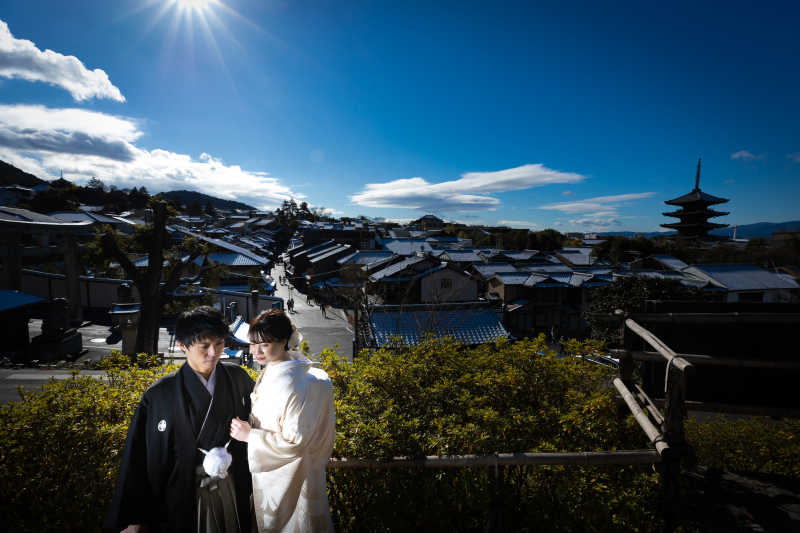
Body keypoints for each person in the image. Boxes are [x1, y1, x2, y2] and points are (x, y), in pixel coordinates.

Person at [104, 306, 255, 533]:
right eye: (204, 346)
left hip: (232, 485)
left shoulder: (238, 377)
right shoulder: (161, 392)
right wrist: (136, 517)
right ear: (183, 345)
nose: (214, 353)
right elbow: (139, 457)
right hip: (181, 494)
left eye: (220, 343)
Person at [230, 310, 335, 533]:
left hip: (292, 473)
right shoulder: (280, 369)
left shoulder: (296, 384)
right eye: (252, 343)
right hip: (273, 468)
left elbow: (296, 441)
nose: (256, 352)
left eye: (264, 345)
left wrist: (251, 436)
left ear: (284, 342)